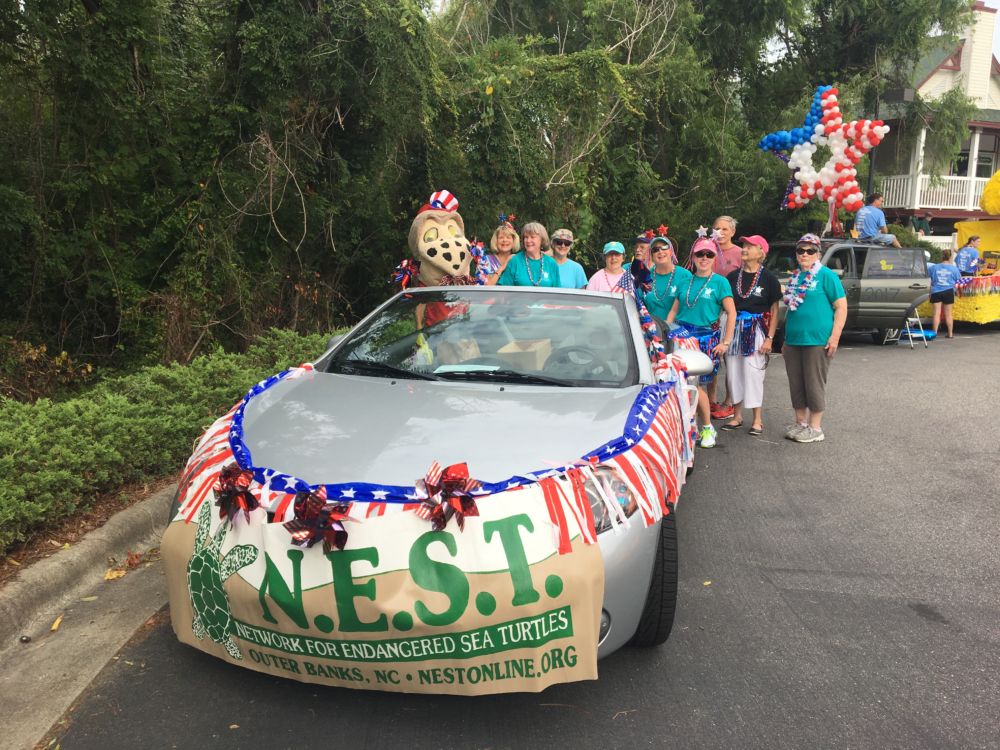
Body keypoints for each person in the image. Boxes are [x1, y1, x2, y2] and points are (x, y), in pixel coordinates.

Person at [666, 236, 736, 449]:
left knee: (699, 385)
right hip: (681, 334)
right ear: (693, 256)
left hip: (706, 337)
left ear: (714, 257)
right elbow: (674, 310)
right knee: (680, 384)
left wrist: (726, 342)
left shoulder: (720, 282)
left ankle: (707, 427)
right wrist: (665, 334)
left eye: (709, 254)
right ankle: (690, 427)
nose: (704, 258)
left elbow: (731, 312)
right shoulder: (685, 280)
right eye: (700, 254)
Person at [782, 233, 847, 444]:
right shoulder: (795, 277)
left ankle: (815, 427)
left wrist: (835, 336)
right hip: (794, 340)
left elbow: (841, 307)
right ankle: (801, 422)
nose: (805, 254)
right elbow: (791, 309)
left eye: (810, 250)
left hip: (817, 340)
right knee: (796, 383)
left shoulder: (826, 275)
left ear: (818, 254)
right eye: (801, 250)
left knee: (814, 383)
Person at [720, 234, 782, 436]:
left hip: (756, 330)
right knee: (733, 372)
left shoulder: (769, 279)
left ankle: (757, 419)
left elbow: (774, 310)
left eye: (749, 246)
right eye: (743, 245)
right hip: (733, 329)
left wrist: (770, 338)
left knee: (754, 373)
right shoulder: (731, 277)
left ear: (760, 252)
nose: (744, 249)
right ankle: (737, 416)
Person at [638, 236, 692, 323]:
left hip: (679, 330)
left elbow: (690, 306)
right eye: (655, 249)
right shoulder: (645, 277)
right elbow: (639, 305)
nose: (660, 251)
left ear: (671, 252)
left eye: (664, 247)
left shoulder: (685, 275)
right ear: (652, 255)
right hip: (652, 330)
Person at [496, 222, 560, 287]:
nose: (528, 240)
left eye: (532, 237)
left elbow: (557, 294)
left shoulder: (551, 263)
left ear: (542, 240)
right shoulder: (515, 261)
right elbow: (505, 292)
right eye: (526, 237)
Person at [928, 248, 962, 338]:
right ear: (950, 257)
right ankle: (950, 334)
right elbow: (958, 282)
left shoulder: (933, 267)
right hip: (949, 291)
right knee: (948, 314)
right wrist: (959, 293)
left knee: (936, 313)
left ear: (941, 256)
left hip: (936, 291)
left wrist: (929, 292)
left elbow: (929, 281)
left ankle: (934, 333)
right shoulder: (954, 269)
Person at [485, 215, 520, 285]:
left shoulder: (519, 260)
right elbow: (485, 288)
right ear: (496, 241)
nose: (504, 240)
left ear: (514, 241)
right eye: (501, 237)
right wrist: (503, 267)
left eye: (508, 237)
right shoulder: (485, 261)